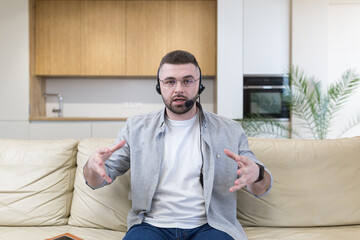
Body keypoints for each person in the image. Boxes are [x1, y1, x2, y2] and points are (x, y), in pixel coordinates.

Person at [83, 50, 272, 240]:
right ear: (159, 86)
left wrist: (257, 174)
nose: (178, 89)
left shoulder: (229, 130)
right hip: (151, 226)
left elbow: (261, 188)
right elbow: (95, 182)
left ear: (200, 85)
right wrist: (92, 166)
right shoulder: (136, 128)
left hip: (211, 226)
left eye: (187, 81)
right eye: (170, 81)